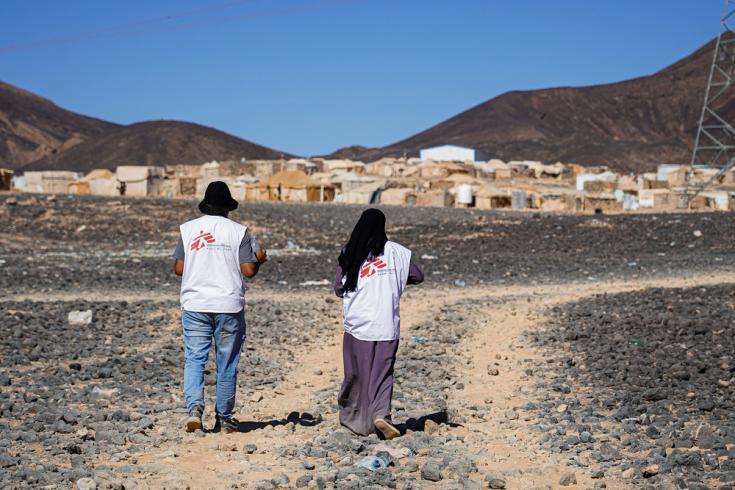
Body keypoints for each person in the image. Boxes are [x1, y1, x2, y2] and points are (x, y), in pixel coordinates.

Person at [173, 181, 267, 433]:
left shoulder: (188, 229)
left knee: (195, 358)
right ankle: (224, 416)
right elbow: (248, 271)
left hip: (195, 303)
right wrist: (259, 259)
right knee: (227, 361)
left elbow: (179, 269)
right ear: (228, 208)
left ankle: (194, 409)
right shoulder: (239, 231)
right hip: (228, 304)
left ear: (205, 205)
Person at [333, 208, 424, 439]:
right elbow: (417, 275)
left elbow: (339, 288)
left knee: (357, 373)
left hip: (357, 324)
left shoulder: (349, 252)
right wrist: (391, 279)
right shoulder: (396, 252)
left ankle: (356, 419)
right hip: (386, 323)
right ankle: (381, 413)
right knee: (382, 372)